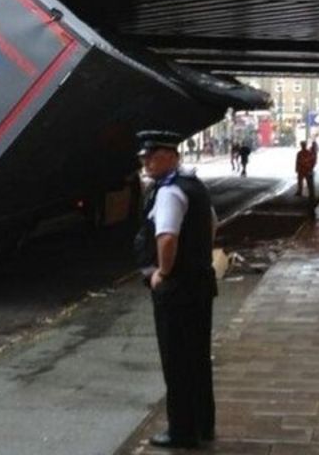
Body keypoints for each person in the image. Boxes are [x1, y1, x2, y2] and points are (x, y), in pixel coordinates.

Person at [134, 130, 217, 449]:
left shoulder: (168, 192)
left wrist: (162, 273)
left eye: (151, 156)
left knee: (177, 360)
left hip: (177, 287)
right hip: (200, 282)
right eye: (144, 157)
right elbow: (211, 224)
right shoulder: (194, 185)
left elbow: (166, 237)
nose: (146, 162)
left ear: (170, 155)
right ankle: (203, 424)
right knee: (198, 358)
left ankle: (182, 430)